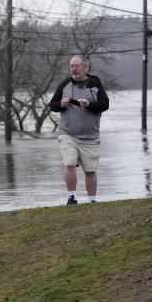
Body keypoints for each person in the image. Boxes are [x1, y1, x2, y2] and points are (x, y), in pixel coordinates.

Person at [48, 55, 109, 205]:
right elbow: (52, 105)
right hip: (67, 133)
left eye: (76, 66)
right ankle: (72, 197)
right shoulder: (65, 84)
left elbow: (105, 104)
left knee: (90, 170)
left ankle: (92, 200)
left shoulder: (95, 83)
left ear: (84, 67)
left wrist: (89, 104)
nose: (74, 69)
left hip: (90, 135)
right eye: (71, 67)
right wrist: (60, 104)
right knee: (69, 163)